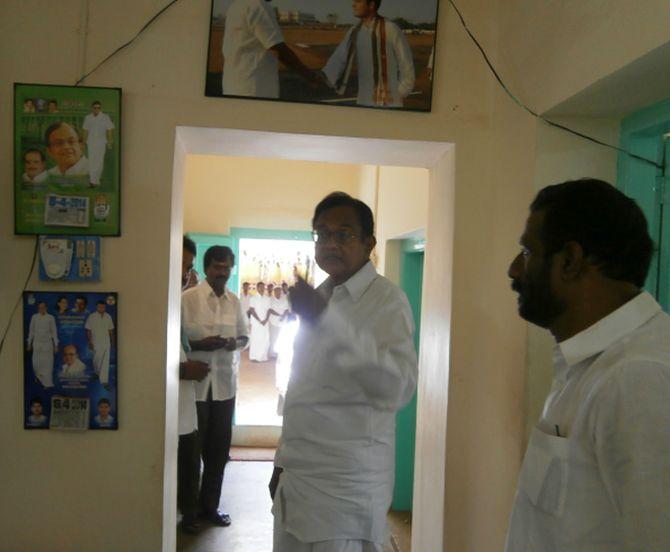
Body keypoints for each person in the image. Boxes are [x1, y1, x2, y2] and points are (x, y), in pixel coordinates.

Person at [505, 178, 670, 551]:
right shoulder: (590, 363)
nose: (515, 270)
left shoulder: (638, 377)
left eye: (527, 253)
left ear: (570, 260)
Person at [270, 192, 417, 552]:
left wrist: (326, 322)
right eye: (321, 233)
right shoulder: (321, 295)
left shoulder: (387, 301)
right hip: (297, 484)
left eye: (344, 233)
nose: (330, 243)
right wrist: (282, 461)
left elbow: (397, 388)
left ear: (369, 243)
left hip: (345, 494)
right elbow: (303, 388)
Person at [181, 245, 249, 527]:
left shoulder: (234, 301)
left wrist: (235, 343)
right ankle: (189, 512)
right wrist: (200, 345)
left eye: (227, 268)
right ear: (207, 268)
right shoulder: (187, 299)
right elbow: (177, 339)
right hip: (194, 389)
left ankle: (211, 507)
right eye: (217, 267)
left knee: (218, 452)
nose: (223, 272)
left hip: (224, 388)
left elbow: (246, 337)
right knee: (191, 452)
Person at [322, 0, 415, 107]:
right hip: (364, 100)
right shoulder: (354, 32)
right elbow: (338, 59)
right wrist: (319, 78)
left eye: (358, 1)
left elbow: (406, 66)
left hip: (389, 103)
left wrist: (398, 94)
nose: (353, 4)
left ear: (371, 5)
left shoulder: (391, 29)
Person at [178, 236, 211, 534]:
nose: (184, 273)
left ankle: (190, 515)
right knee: (182, 462)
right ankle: (185, 515)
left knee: (191, 460)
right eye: (180, 264)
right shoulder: (170, 302)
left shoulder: (174, 301)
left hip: (186, 402)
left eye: (187, 267)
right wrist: (182, 369)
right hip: (168, 405)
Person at [221, 0, 321, 98]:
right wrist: (311, 77)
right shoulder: (258, 5)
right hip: (254, 88)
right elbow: (278, 48)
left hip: (233, 85)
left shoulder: (236, 5)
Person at [82, 100, 114, 187]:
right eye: (95, 108)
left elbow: (110, 129)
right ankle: (93, 181)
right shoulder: (88, 117)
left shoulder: (105, 117)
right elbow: (85, 130)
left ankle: (96, 179)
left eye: (98, 108)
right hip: (91, 143)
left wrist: (110, 141)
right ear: (92, 108)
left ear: (100, 108)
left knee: (99, 161)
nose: (96, 109)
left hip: (101, 142)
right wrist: (84, 142)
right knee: (92, 161)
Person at [27, 301, 58, 388]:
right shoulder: (34, 317)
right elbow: (31, 331)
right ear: (38, 308)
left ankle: (47, 383)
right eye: (40, 308)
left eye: (43, 307)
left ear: (46, 308)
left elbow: (54, 332)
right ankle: (39, 377)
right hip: (37, 344)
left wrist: (56, 345)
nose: (41, 309)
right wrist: (29, 343)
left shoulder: (50, 318)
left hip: (48, 344)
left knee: (47, 364)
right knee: (36, 363)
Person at [85, 301, 115, 390]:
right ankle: (96, 373)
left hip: (106, 342)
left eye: (103, 306)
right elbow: (88, 330)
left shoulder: (108, 316)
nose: (101, 308)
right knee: (96, 360)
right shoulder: (92, 316)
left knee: (105, 361)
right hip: (96, 342)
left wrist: (112, 340)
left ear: (105, 307)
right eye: (100, 306)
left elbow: (111, 330)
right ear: (97, 307)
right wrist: (90, 341)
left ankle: (104, 381)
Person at [248, 281, 271, 361]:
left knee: (265, 339)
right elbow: (252, 310)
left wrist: (266, 320)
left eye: (263, 287)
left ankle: (263, 357)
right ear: (257, 288)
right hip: (256, 323)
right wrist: (259, 320)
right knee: (255, 339)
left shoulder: (267, 298)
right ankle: (254, 357)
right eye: (260, 287)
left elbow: (269, 310)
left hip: (265, 322)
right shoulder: (253, 298)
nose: (262, 288)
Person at [268, 285, 290, 358]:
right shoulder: (271, 299)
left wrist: (283, 316)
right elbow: (270, 310)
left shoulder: (284, 299)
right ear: (274, 292)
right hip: (273, 322)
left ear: (281, 292)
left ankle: (280, 353)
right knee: (273, 338)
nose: (278, 292)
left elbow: (287, 309)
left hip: (283, 322)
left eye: (279, 291)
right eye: (276, 291)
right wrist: (279, 315)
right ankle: (272, 353)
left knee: (281, 338)